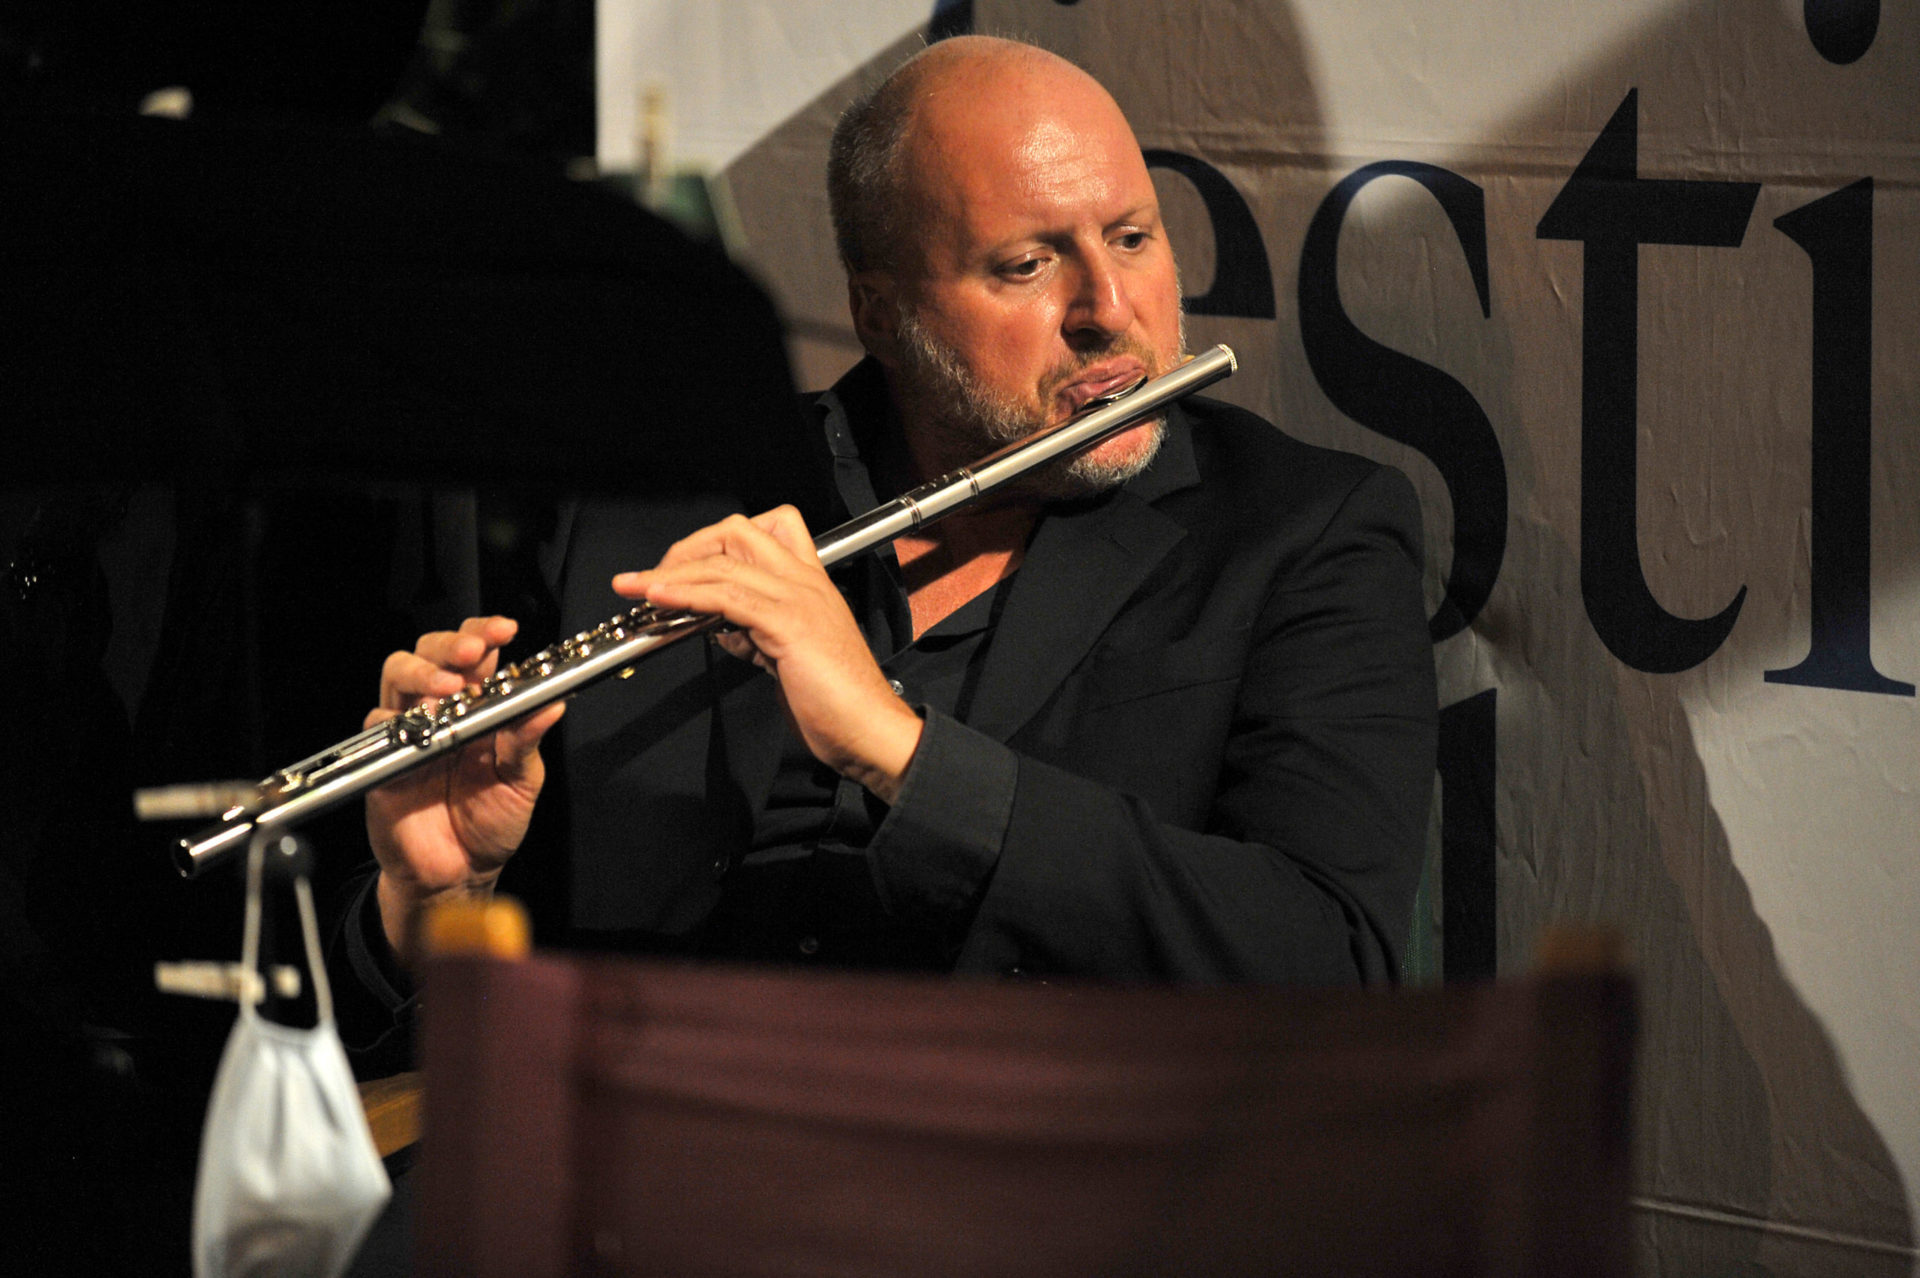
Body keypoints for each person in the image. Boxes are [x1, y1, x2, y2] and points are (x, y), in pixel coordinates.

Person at [334, 36, 1435, 1045]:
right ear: (881, 311)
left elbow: (1330, 963)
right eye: (1027, 265)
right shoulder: (658, 514)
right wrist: (436, 903)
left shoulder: (1301, 532)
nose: (1109, 307)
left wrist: (903, 753)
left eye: (1133, 238)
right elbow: (465, 1033)